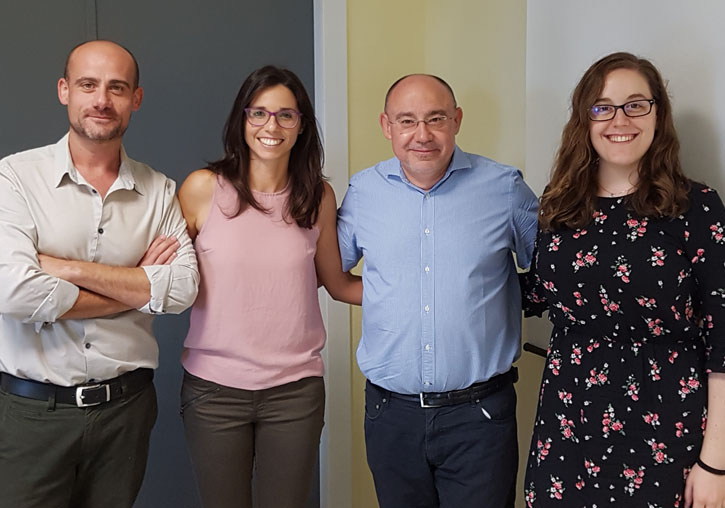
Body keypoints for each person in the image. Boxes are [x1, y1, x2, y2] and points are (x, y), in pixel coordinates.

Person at [0, 40, 199, 508]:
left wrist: (67, 269)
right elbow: (15, 292)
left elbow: (183, 289)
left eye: (117, 87)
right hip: (32, 413)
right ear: (64, 90)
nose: (102, 100)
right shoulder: (14, 179)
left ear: (137, 98)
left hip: (125, 414)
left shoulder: (159, 191)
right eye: (88, 85)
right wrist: (136, 284)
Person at [522, 52, 725, 508]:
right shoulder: (558, 207)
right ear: (585, 119)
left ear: (658, 114)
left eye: (636, 104)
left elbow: (722, 341)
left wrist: (716, 462)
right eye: (603, 106)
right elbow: (536, 291)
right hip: (568, 424)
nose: (620, 119)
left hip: (665, 427)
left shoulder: (698, 208)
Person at [337, 74, 538, 508]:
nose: (422, 135)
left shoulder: (504, 188)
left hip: (479, 416)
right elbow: (333, 274)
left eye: (436, 118)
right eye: (407, 121)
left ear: (457, 120)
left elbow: (554, 271)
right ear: (386, 126)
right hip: (391, 416)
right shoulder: (362, 192)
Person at [178, 65, 361, 508]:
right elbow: (167, 278)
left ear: (302, 127)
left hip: (294, 392)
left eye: (285, 115)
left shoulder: (317, 197)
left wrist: (425, 290)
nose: (270, 126)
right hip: (214, 392)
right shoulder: (203, 189)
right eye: (258, 113)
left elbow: (337, 284)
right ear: (241, 122)